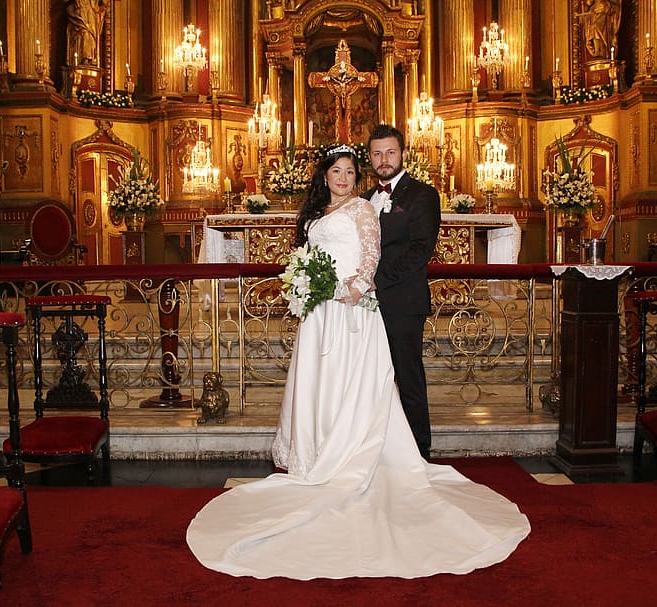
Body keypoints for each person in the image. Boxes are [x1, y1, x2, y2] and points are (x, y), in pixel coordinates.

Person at [186, 145, 530, 580]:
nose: (344, 178)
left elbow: (371, 256)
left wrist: (355, 287)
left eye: (350, 171)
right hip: (319, 314)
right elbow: (307, 257)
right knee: (320, 383)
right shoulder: (314, 214)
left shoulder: (364, 209)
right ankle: (318, 452)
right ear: (325, 176)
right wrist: (306, 284)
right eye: (337, 171)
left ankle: (352, 454)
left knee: (354, 383)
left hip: (351, 310)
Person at [365, 124, 440, 460]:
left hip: (403, 302)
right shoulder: (364, 199)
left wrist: (377, 279)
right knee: (371, 379)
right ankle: (378, 449)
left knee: (408, 377)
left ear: (403, 154)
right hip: (365, 305)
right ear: (370, 158)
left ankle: (420, 452)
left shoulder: (423, 195)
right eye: (377, 153)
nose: (384, 159)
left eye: (390, 152)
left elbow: (420, 249)